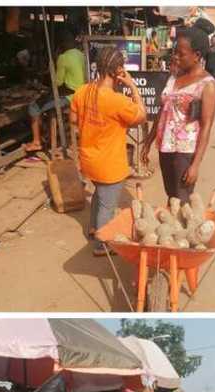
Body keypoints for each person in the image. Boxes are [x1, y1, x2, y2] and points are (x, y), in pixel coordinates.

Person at [70, 46, 146, 255]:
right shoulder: (117, 100)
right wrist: (132, 86)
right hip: (109, 165)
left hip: (88, 160)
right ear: (117, 71)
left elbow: (74, 120)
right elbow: (141, 115)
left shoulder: (81, 92)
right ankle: (102, 245)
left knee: (99, 196)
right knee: (107, 205)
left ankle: (94, 229)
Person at [142, 27, 215, 204]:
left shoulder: (207, 85)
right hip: (165, 148)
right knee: (171, 196)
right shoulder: (174, 77)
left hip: (184, 152)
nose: (175, 57)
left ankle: (183, 230)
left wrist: (195, 165)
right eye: (174, 52)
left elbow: (206, 127)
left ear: (197, 55)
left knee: (182, 201)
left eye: (181, 53)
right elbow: (163, 111)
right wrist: (149, 141)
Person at [24, 29, 85, 153]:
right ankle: (47, 135)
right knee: (45, 104)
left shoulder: (63, 57)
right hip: (82, 94)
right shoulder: (82, 55)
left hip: (69, 97)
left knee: (33, 107)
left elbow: (58, 83)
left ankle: (36, 142)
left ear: (62, 44)